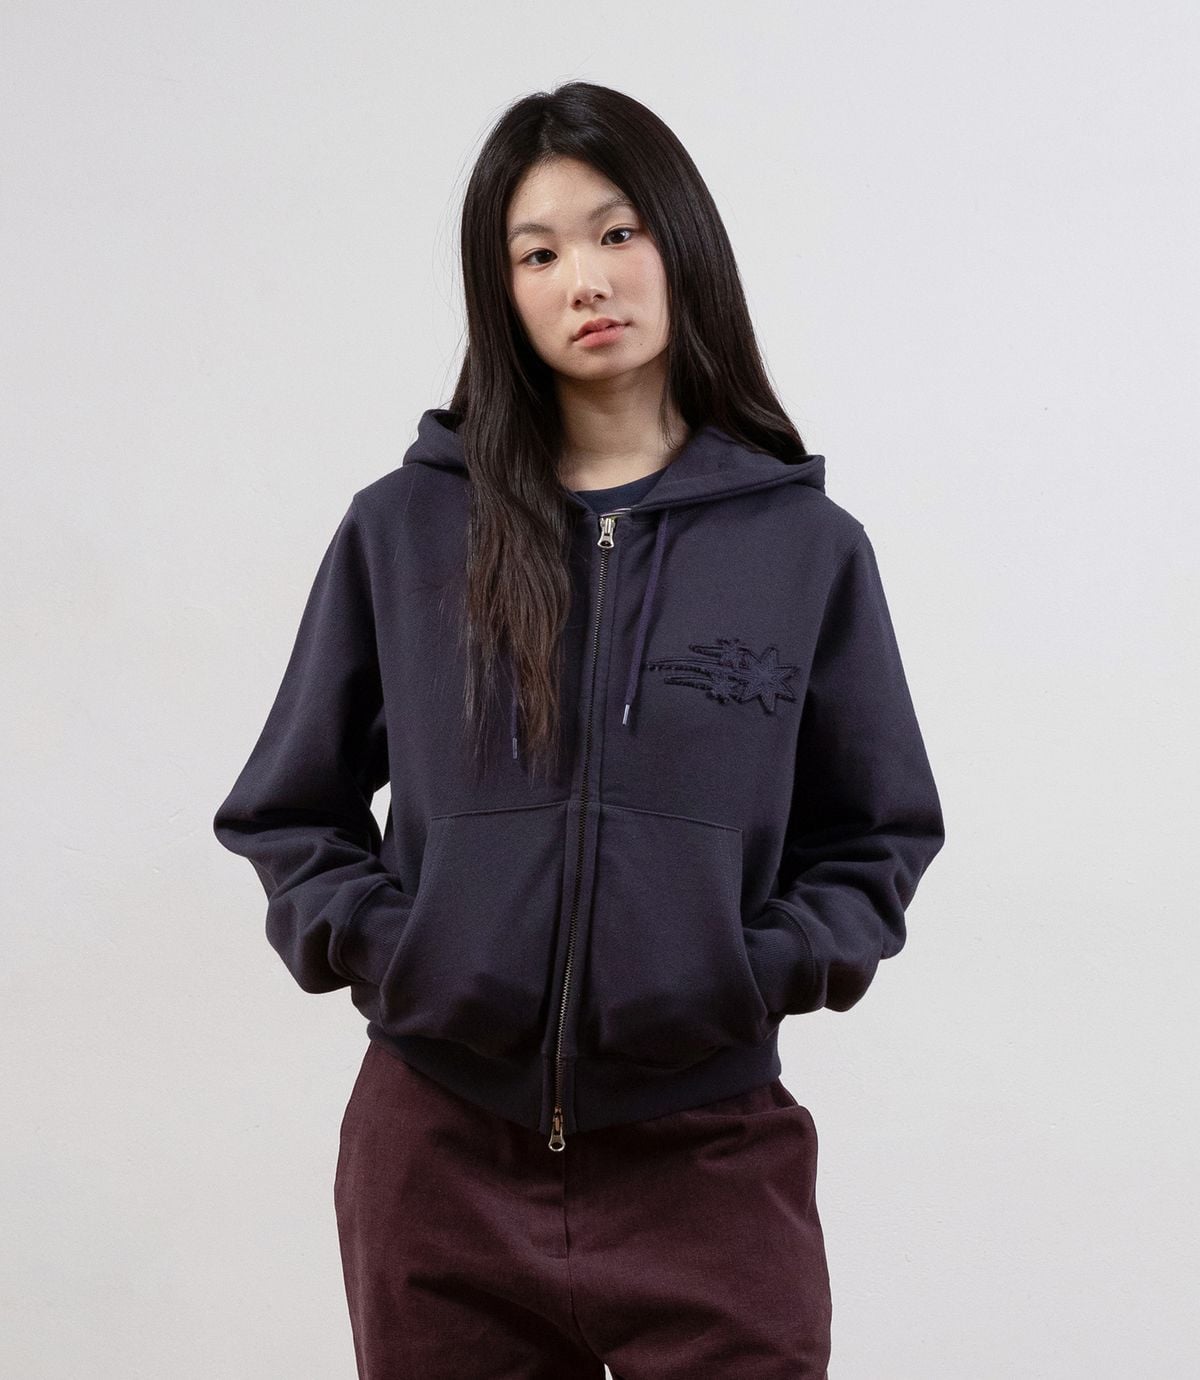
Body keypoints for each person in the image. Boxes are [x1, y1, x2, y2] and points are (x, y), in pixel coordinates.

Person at [213, 79, 945, 1379]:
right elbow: (287, 808)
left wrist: (747, 974)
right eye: (537, 254)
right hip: (441, 1159)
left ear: (681, 241)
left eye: (616, 233)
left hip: (707, 1157)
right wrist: (407, 955)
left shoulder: (804, 548)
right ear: (499, 293)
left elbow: (877, 834)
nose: (586, 280)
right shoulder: (405, 529)